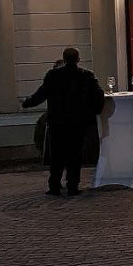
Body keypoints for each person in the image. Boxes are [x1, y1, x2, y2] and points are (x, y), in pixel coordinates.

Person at [22, 46, 104, 196]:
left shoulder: (53, 76)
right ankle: (72, 185)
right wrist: (94, 112)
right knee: (75, 154)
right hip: (77, 122)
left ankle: (54, 185)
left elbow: (41, 94)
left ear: (64, 59)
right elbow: (98, 96)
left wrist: (27, 103)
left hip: (57, 121)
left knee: (56, 155)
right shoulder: (87, 76)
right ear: (78, 59)